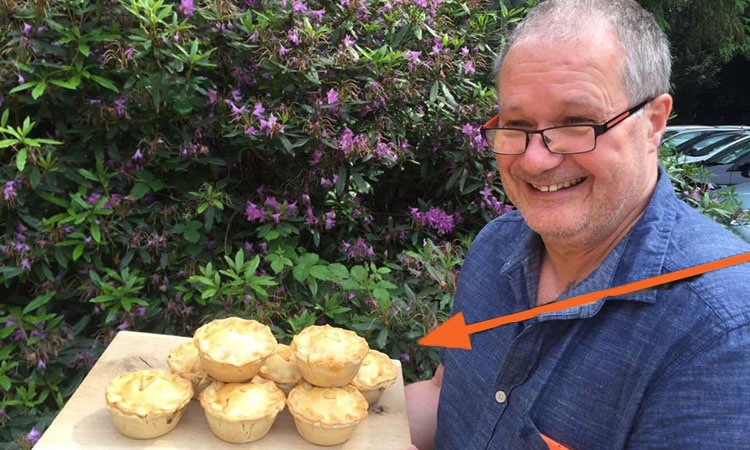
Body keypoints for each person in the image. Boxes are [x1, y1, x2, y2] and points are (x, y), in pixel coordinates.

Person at [405, 0, 750, 448]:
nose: (534, 158)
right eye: (517, 124)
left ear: (654, 123)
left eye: (576, 123)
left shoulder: (719, 335)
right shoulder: (495, 248)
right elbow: (445, 397)